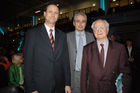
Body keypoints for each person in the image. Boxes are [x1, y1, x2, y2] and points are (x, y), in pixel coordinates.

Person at [23, 3, 71, 93]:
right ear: (45, 14)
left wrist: (67, 83)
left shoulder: (62, 35)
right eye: (50, 12)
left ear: (58, 16)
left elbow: (65, 60)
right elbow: (28, 63)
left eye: (56, 12)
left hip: (59, 85)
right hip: (39, 85)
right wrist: (31, 87)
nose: (53, 15)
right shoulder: (32, 33)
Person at [81, 19, 132, 93]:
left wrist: (124, 90)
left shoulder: (119, 48)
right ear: (93, 32)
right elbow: (84, 75)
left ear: (107, 30)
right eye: (96, 28)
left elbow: (126, 73)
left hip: (112, 90)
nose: (99, 30)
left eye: (102, 27)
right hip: (93, 90)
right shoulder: (87, 49)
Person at [67, 12, 94, 93]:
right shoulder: (67, 36)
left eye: (83, 21)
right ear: (74, 23)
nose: (80, 24)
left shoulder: (91, 36)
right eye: (78, 21)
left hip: (88, 75)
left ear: (86, 23)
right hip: (73, 75)